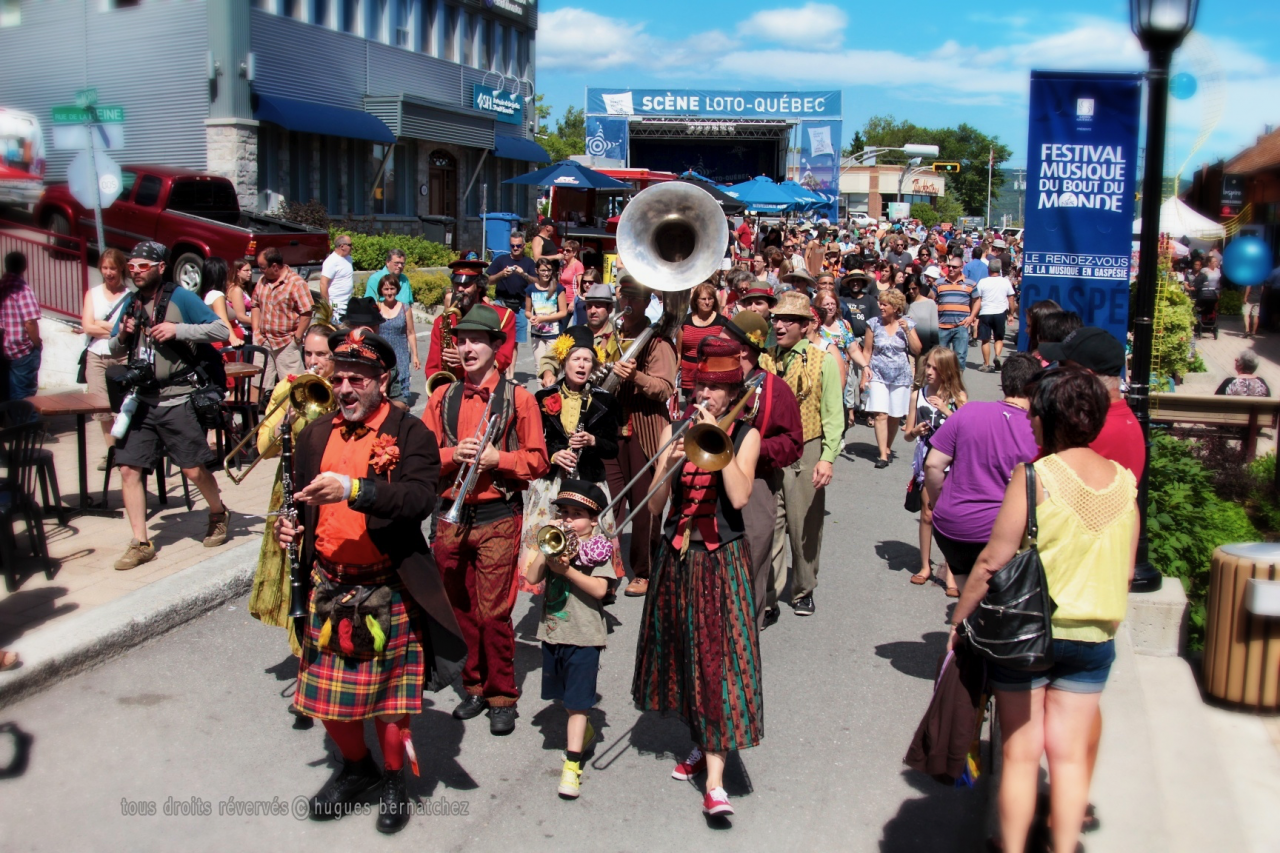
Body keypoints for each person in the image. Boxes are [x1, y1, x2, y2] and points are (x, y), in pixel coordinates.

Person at [273, 328, 465, 834]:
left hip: (387, 583)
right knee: (327, 704)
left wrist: (355, 488)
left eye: (357, 379)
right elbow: (298, 502)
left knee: (391, 706)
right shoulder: (314, 434)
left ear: (383, 380)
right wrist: (289, 526)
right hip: (329, 584)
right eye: (339, 379)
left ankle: (396, 780)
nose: (345, 388)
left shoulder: (410, 433)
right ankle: (358, 770)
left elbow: (420, 499)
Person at [949, 367, 1137, 853]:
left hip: (1029, 634)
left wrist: (960, 620)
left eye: (1035, 412)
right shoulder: (1124, 482)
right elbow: (1126, 567)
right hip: (1095, 633)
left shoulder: (1036, 477)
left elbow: (993, 558)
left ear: (1051, 416)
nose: (1030, 421)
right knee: (1070, 756)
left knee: (1020, 752)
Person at [633, 336, 764, 818]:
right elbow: (652, 509)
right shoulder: (676, 427)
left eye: (713, 391)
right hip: (677, 556)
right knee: (683, 654)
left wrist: (720, 442)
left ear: (731, 395)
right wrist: (665, 466)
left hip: (718, 559)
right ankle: (697, 743)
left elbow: (742, 496)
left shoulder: (746, 434)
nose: (704, 398)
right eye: (699, 389)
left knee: (719, 663)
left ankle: (715, 781)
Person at [422, 304, 549, 735]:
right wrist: (446, 455)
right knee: (458, 606)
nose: (467, 347)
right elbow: (420, 457)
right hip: (451, 514)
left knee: (494, 610)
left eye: (478, 339)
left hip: (498, 513)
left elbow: (538, 461)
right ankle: (473, 685)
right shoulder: (442, 397)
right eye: (461, 340)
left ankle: (501, 694)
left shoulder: (520, 398)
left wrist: (500, 458)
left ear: (498, 346)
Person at [108, 241, 232, 570]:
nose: (135, 272)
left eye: (142, 267)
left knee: (192, 469)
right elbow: (112, 346)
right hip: (142, 400)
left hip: (177, 398)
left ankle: (218, 511)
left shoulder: (180, 297)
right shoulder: (131, 303)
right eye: (131, 267)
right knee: (129, 468)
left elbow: (222, 329)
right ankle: (141, 542)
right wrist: (123, 335)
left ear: (160, 267)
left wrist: (179, 329)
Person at [523, 480, 617, 800]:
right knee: (565, 700)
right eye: (563, 512)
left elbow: (602, 590)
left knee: (577, 705)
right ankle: (585, 730)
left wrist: (567, 572)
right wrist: (544, 547)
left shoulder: (598, 547)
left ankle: (572, 765)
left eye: (577, 514)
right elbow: (532, 578)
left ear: (594, 520)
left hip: (586, 636)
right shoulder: (556, 542)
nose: (567, 519)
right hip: (553, 631)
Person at [247, 324, 335, 667]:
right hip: (290, 490)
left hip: (327, 491)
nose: (314, 362)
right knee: (293, 572)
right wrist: (284, 419)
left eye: (322, 355)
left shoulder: (342, 391)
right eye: (308, 354)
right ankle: (303, 656)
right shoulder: (288, 389)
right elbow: (262, 448)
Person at [924, 353, 1041, 592]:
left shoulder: (968, 412)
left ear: (1004, 381)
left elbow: (933, 465)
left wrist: (938, 503)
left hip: (952, 528)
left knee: (969, 596)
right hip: (1000, 533)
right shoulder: (1036, 428)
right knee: (994, 604)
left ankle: (966, 621)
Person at [519, 325, 624, 588]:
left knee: (588, 543)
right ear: (564, 361)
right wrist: (554, 456)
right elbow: (532, 442)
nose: (581, 365)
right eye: (576, 358)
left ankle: (592, 590)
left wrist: (592, 440)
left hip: (588, 481)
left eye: (587, 360)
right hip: (551, 483)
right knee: (549, 539)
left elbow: (613, 447)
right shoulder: (543, 396)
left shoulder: (606, 400)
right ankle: (551, 593)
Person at [721, 310, 803, 630]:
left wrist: (755, 451)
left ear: (742, 348)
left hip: (756, 483)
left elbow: (793, 443)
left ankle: (745, 634)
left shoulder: (775, 389)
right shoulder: (711, 379)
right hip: (713, 480)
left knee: (752, 560)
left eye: (727, 338)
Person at [768, 290, 843, 617]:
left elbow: (833, 413)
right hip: (770, 448)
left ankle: (803, 588)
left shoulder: (822, 359)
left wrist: (827, 457)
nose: (779, 325)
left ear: (804, 325)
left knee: (802, 528)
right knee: (769, 528)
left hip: (807, 447)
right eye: (776, 319)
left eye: (787, 320)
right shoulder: (765, 358)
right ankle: (767, 598)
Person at [603, 277, 677, 598]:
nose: (628, 300)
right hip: (610, 426)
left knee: (646, 505)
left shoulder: (658, 342)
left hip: (646, 427)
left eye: (635, 295)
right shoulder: (610, 336)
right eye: (624, 293)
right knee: (609, 503)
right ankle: (604, 569)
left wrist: (636, 376)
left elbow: (664, 388)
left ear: (648, 302)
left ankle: (644, 571)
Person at [904, 347, 967, 594]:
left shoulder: (958, 396)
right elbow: (907, 435)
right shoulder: (916, 395)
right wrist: (914, 432)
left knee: (948, 516)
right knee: (927, 513)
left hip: (952, 463)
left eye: (934, 367)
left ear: (946, 371)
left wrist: (946, 410)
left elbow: (967, 430)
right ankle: (925, 566)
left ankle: (951, 573)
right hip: (926, 461)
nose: (928, 371)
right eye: (927, 366)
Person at [424, 258, 517, 380]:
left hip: (486, 386)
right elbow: (433, 366)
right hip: (450, 390)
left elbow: (502, 360)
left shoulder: (503, 316)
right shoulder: (442, 321)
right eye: (457, 284)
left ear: (479, 287)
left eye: (466, 284)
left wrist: (465, 358)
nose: (460, 289)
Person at [81, 248, 131, 469]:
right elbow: (87, 326)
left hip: (123, 356)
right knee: (101, 408)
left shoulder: (130, 296)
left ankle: (126, 450)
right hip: (96, 356)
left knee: (124, 406)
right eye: (104, 268)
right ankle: (111, 451)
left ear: (121, 267)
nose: (108, 272)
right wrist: (114, 329)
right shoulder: (92, 293)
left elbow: (129, 330)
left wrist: (101, 325)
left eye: (112, 267)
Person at [863, 288, 922, 468]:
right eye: (880, 303)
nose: (880, 307)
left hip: (900, 375)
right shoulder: (873, 323)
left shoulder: (908, 324)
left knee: (895, 415)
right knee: (880, 414)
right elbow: (867, 351)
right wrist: (864, 375)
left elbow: (917, 350)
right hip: (877, 373)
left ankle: (887, 447)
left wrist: (907, 331)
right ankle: (882, 454)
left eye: (884, 304)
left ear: (896, 307)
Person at [252, 248, 314, 394]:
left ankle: (292, 416)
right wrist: (255, 330)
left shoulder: (296, 283)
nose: (260, 271)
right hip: (263, 340)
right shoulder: (262, 281)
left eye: (262, 267)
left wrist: (297, 338)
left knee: (292, 386)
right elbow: (255, 305)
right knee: (257, 382)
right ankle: (253, 415)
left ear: (274, 266)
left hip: (286, 342)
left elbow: (306, 312)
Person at [538, 283, 622, 387]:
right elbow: (549, 359)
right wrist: (548, 374)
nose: (592, 311)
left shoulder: (618, 336)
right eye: (589, 306)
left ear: (610, 309)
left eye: (598, 306)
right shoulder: (574, 334)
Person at [486, 233, 539, 370]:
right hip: (501, 304)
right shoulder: (501, 260)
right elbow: (488, 281)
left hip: (520, 306)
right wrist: (501, 274)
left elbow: (537, 282)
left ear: (523, 246)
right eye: (512, 246)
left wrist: (523, 274)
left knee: (514, 343)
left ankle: (511, 375)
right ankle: (495, 370)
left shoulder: (529, 263)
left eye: (518, 246)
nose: (515, 248)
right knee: (496, 339)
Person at [677, 282, 728, 404]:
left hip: (712, 375)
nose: (707, 302)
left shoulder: (722, 322)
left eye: (710, 299)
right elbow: (678, 352)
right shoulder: (685, 321)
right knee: (691, 410)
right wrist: (672, 379)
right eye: (703, 299)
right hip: (689, 376)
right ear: (695, 301)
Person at [0, 252, 41, 401]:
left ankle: (11, 424)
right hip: (22, 350)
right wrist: (37, 343)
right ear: (24, 267)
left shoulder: (2, 285)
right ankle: (26, 424)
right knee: (24, 397)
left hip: (3, 349)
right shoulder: (22, 289)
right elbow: (30, 322)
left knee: (6, 394)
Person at [377, 276, 418, 404]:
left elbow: (411, 333)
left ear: (397, 289)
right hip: (381, 354)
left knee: (400, 393)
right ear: (381, 290)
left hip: (400, 354)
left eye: (392, 288)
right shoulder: (376, 307)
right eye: (386, 289)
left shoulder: (405, 308)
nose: (389, 292)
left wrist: (415, 356)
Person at [935, 255, 980, 370]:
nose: (950, 269)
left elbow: (977, 301)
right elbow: (931, 300)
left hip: (961, 326)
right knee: (940, 358)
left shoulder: (970, 284)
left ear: (961, 267)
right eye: (949, 266)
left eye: (954, 267)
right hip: (942, 326)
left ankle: (956, 383)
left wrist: (971, 317)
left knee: (959, 357)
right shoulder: (939, 283)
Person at [525, 257, 569, 365]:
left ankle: (551, 383)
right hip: (537, 333)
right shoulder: (531, 289)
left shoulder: (558, 288)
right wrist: (532, 317)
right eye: (543, 270)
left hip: (553, 334)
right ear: (537, 271)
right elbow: (527, 311)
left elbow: (564, 312)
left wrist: (543, 318)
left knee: (551, 366)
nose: (546, 273)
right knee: (539, 366)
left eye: (549, 270)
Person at [976, 258, 1016, 372]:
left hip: (985, 312)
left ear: (989, 269)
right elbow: (1011, 298)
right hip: (1000, 312)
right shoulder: (1005, 282)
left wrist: (975, 314)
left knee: (985, 340)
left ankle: (986, 364)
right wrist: (1011, 313)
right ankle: (997, 355)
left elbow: (978, 298)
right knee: (999, 338)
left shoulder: (983, 282)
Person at [198, 257, 244, 347]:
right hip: (226, 346)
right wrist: (234, 339)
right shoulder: (217, 295)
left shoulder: (208, 294)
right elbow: (223, 320)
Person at [318, 234, 355, 323]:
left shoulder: (349, 259)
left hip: (347, 304)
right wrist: (327, 306)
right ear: (342, 246)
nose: (352, 247)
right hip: (336, 308)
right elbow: (323, 284)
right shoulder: (331, 262)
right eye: (350, 245)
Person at [226, 259, 255, 345]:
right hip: (243, 331)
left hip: (248, 329)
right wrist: (260, 322)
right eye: (246, 270)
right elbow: (240, 316)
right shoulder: (236, 290)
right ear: (237, 272)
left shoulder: (243, 288)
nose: (250, 273)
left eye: (250, 270)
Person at [559, 239, 585, 323]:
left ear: (574, 253)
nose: (564, 252)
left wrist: (573, 302)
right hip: (563, 300)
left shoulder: (578, 265)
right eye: (564, 250)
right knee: (560, 328)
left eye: (568, 251)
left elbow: (581, 286)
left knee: (575, 327)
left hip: (573, 300)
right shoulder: (564, 265)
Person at [1244, 274, 1266, 338]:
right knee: (1255, 315)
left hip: (1250, 298)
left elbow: (1248, 287)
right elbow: (1262, 289)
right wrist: (1259, 296)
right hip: (1257, 299)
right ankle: (1253, 332)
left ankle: (1247, 330)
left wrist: (1245, 297)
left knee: (1246, 314)